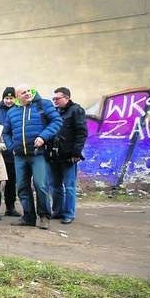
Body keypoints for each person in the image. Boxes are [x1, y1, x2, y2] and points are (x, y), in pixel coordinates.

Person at [2, 84, 62, 230]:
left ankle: (44, 217)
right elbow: (6, 133)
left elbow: (57, 121)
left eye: (29, 91)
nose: (28, 94)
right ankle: (28, 217)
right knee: (22, 187)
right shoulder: (12, 112)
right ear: (17, 97)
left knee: (41, 185)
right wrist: (12, 147)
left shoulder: (43, 105)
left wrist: (43, 136)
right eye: (23, 92)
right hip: (20, 156)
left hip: (38, 154)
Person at [49, 87, 87, 224]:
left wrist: (76, 153)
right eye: (53, 99)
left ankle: (68, 214)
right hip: (54, 155)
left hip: (69, 156)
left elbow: (81, 133)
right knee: (55, 186)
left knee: (69, 186)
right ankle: (57, 211)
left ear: (67, 98)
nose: (55, 101)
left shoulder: (76, 110)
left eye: (57, 98)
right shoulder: (55, 112)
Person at [0, 87, 20, 217]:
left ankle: (10, 207)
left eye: (11, 98)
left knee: (11, 180)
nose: (9, 101)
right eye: (6, 98)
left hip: (12, 151)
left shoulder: (18, 110)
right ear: (3, 98)